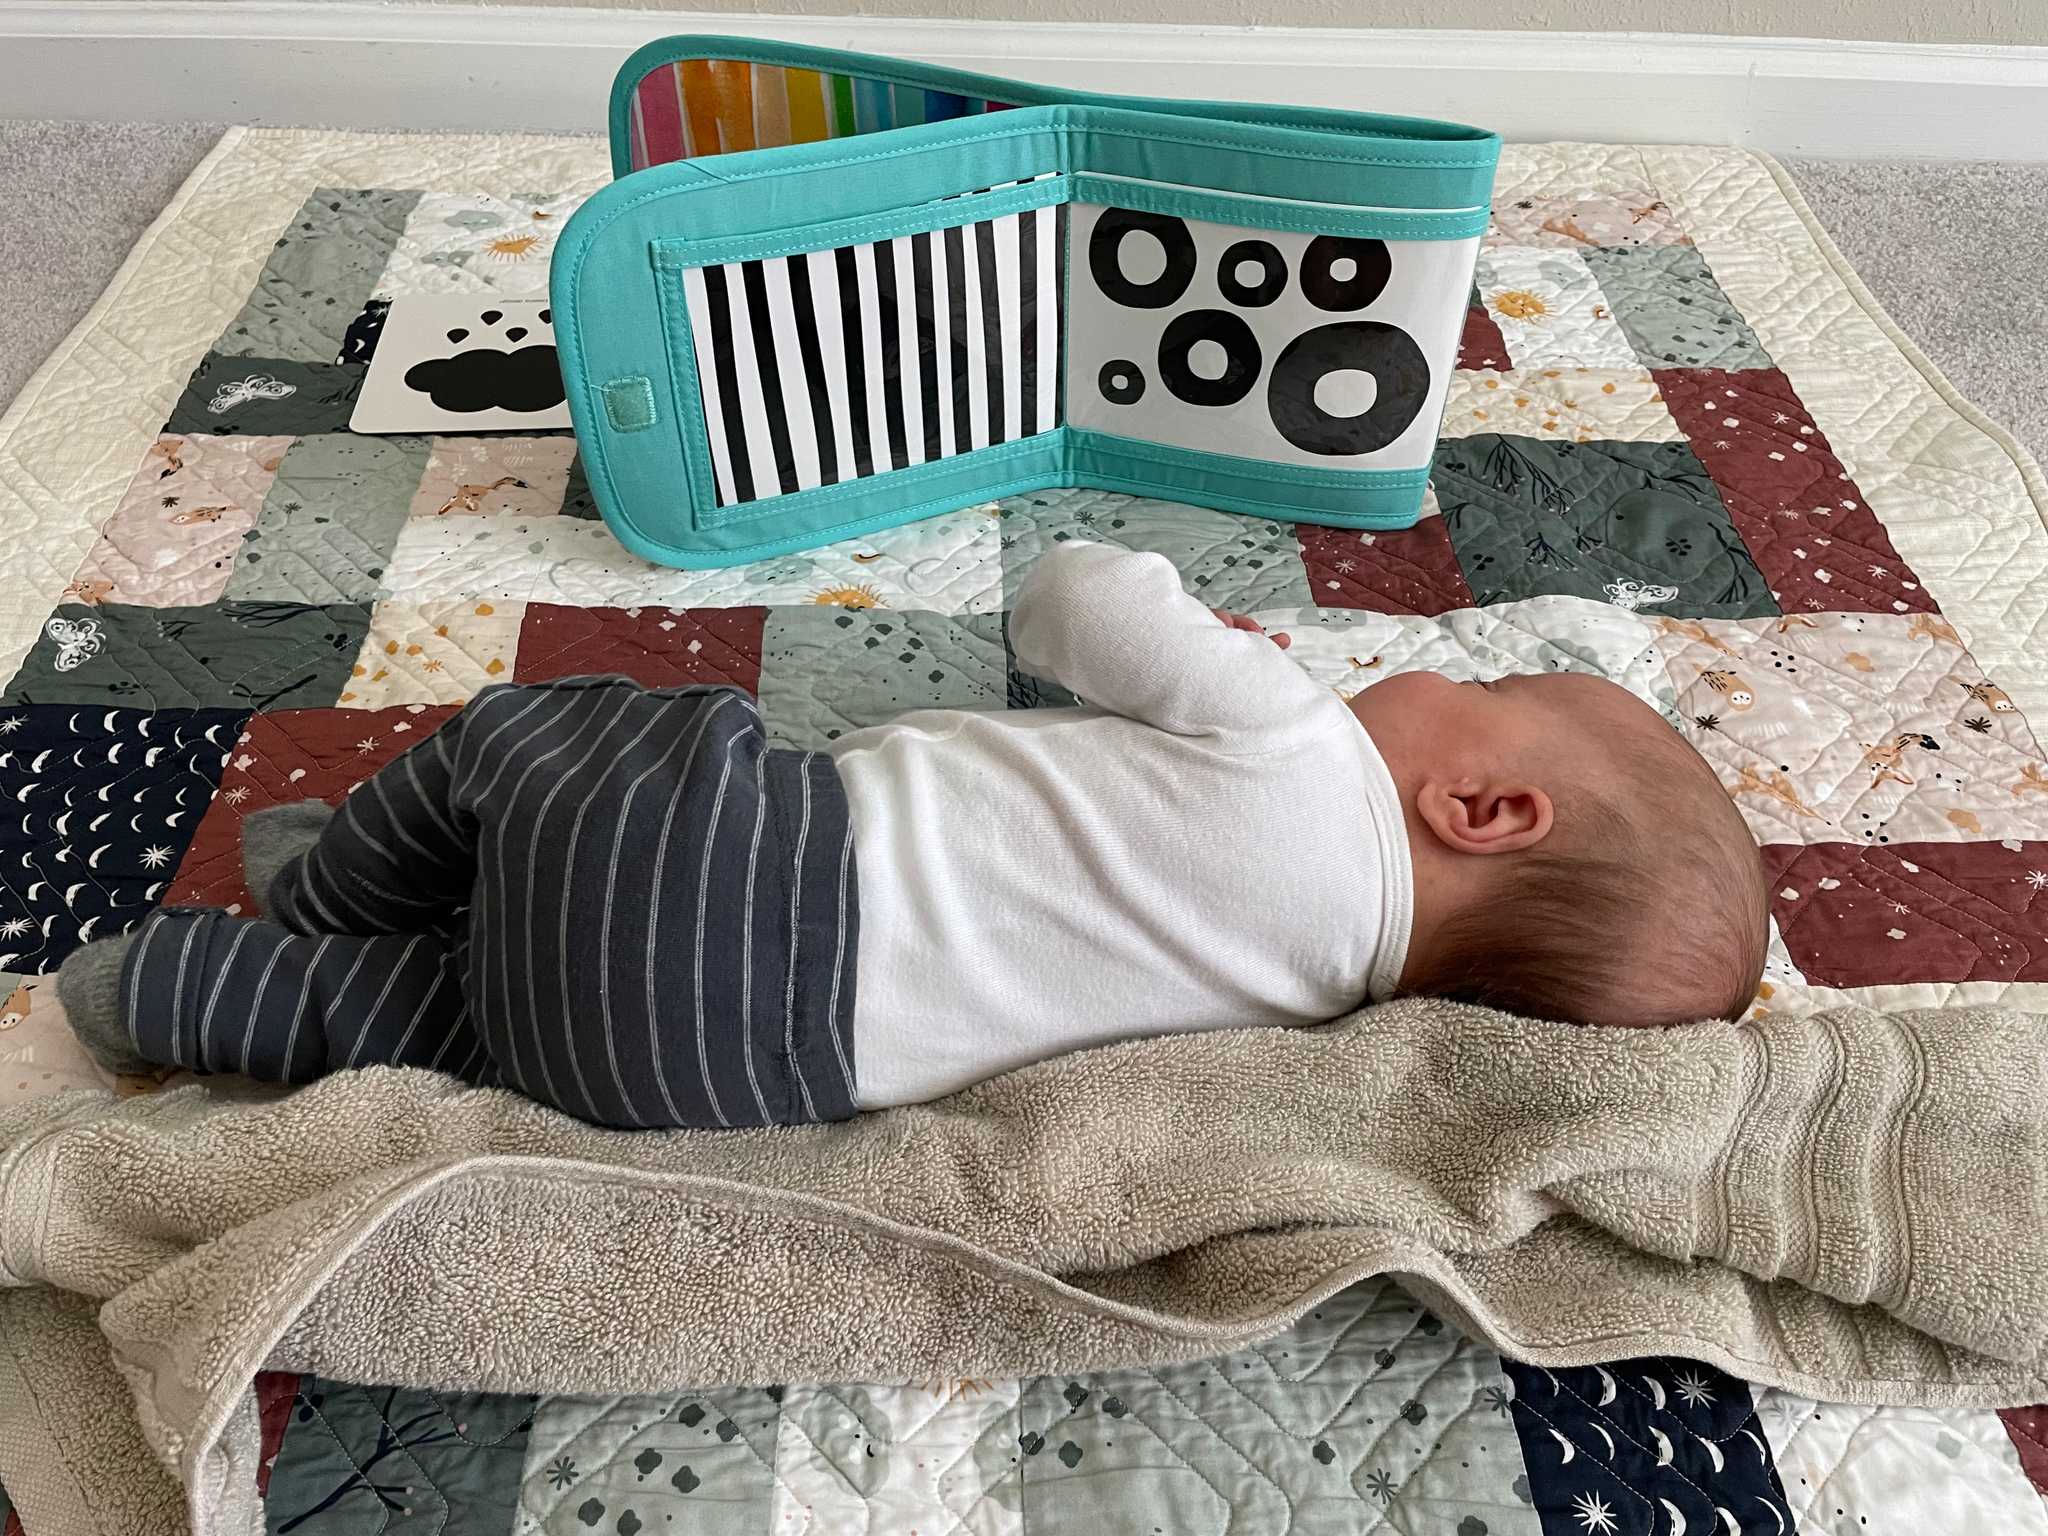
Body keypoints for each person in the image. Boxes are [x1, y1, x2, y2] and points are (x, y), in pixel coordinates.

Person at [56, 541, 1770, 1128]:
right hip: (721, 1080)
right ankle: (204, 996)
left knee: (553, 728)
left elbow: (1067, 599)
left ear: (1482, 806)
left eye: (1485, 685)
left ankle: (343, 878)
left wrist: (1229, 640)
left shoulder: (1303, 742)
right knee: (462, 1026)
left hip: (739, 863)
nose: (1422, 670)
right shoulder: (1318, 1025)